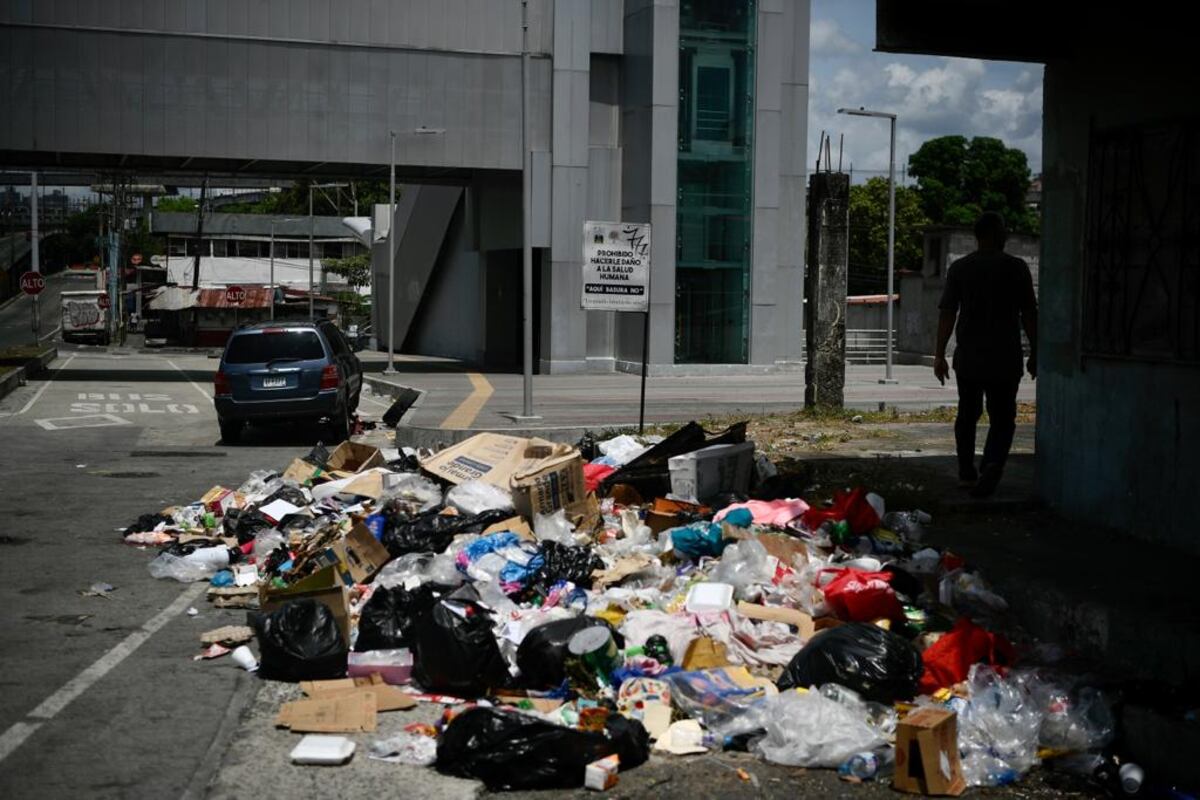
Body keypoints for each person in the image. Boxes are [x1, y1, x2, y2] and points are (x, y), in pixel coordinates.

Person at [933, 212, 1037, 498]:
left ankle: (966, 472)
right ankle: (992, 462)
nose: (1006, 236)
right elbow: (1029, 313)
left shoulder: (961, 269)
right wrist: (1036, 350)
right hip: (1006, 357)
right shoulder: (1016, 268)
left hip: (969, 357)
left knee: (968, 414)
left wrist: (939, 354)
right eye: (1003, 231)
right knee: (1003, 417)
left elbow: (947, 313)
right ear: (993, 234)